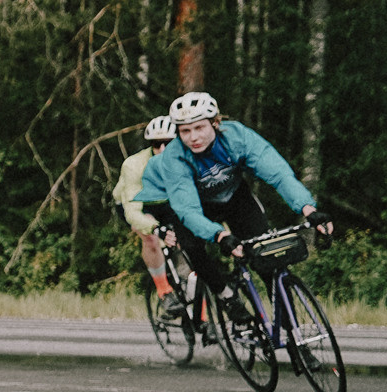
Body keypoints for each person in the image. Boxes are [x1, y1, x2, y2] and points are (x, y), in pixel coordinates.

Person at [136, 90, 333, 301]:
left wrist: (307, 208)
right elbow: (187, 210)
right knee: (194, 251)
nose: (193, 137)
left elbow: (278, 174)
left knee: (266, 258)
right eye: (185, 131)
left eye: (200, 127)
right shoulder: (174, 157)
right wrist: (219, 235)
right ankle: (226, 296)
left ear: (215, 123)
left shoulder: (237, 137)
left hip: (235, 198)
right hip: (197, 208)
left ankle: (286, 322)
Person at [113, 116, 179, 306]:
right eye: (157, 144)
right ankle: (163, 290)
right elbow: (133, 213)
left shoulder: (186, 159)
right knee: (150, 238)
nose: (163, 149)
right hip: (138, 204)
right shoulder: (134, 166)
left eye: (169, 143)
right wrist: (157, 229)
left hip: (168, 202)